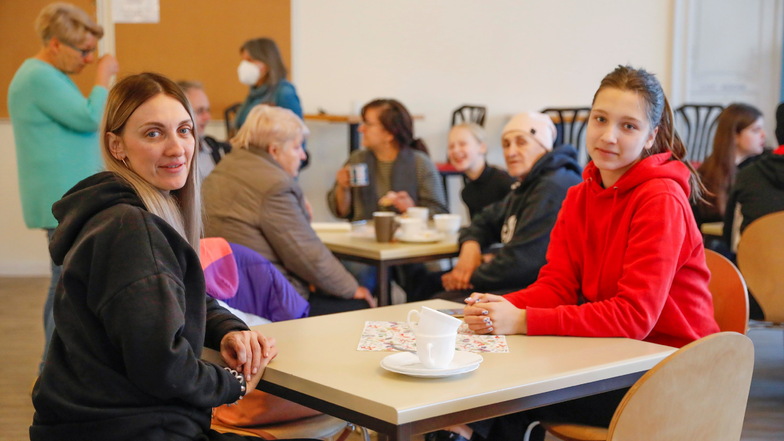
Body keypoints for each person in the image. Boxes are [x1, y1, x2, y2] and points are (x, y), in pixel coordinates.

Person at [432, 65, 720, 441]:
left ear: (652, 137)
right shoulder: (579, 196)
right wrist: (498, 308)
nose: (608, 136)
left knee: (506, 394)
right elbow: (558, 287)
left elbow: (634, 317)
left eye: (628, 126)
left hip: (672, 372)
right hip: (614, 359)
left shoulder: (660, 198)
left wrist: (521, 321)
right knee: (484, 386)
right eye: (600, 119)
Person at [30, 73, 313, 441]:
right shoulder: (132, 229)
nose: (177, 147)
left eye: (184, 130)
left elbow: (173, 294)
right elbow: (164, 367)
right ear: (117, 146)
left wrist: (227, 330)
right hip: (132, 429)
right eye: (153, 133)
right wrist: (234, 384)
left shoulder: (129, 212)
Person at [7, 1, 119, 370]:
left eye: (93, 51)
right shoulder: (38, 76)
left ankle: (55, 369)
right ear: (55, 44)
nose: (88, 59)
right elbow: (89, 119)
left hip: (66, 199)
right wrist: (104, 79)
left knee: (66, 284)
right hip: (63, 202)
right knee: (65, 287)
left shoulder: (47, 76)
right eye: (83, 50)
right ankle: (50, 371)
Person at [202, 104, 375, 316]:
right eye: (297, 147)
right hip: (264, 301)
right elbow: (306, 253)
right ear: (274, 150)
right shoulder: (274, 185)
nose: (303, 156)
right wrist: (352, 289)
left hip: (224, 293)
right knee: (358, 307)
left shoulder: (224, 168)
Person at [434, 112, 582, 299]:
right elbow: (486, 219)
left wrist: (467, 275)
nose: (510, 152)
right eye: (506, 144)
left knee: (435, 299)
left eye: (521, 142)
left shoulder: (552, 187)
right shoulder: (525, 185)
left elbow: (523, 262)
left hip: (543, 292)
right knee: (429, 287)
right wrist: (470, 243)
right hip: (516, 280)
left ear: (543, 147)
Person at [327, 98, 448, 221]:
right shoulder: (357, 159)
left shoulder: (420, 163)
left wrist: (411, 210)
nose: (360, 129)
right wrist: (343, 188)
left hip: (408, 237)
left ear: (389, 134)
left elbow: (439, 213)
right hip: (362, 236)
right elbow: (341, 212)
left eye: (368, 124)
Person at [693, 103, 766, 227]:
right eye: (755, 130)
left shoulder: (763, 167)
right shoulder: (706, 174)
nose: (763, 135)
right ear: (735, 135)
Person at [447, 123, 515, 219]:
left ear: (482, 147)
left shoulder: (505, 182)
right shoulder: (467, 193)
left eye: (462, 144)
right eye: (451, 146)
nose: (455, 150)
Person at [178, 80, 231, 180]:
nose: (208, 118)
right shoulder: (175, 158)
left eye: (207, 110)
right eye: (200, 111)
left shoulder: (217, 149)